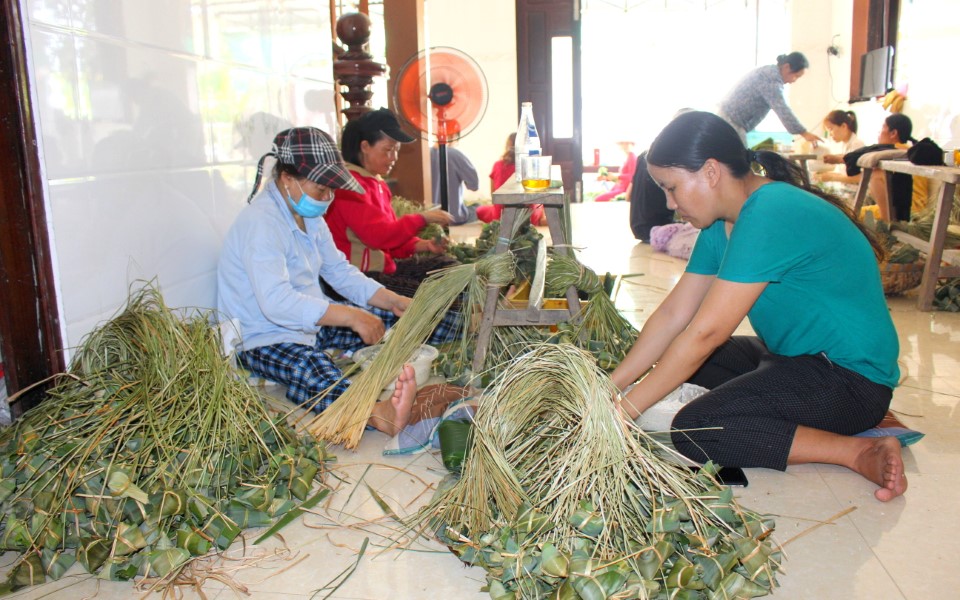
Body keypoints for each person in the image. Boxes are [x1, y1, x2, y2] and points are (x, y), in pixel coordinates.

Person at [611, 111, 906, 502]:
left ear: (711, 172)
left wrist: (621, 415)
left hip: (851, 383)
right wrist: (608, 392)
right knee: (673, 354)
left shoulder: (770, 211)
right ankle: (761, 411)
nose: (669, 203)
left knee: (697, 428)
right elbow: (673, 316)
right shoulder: (720, 224)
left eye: (672, 188)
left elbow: (707, 332)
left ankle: (857, 451)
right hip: (793, 359)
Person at [217, 126, 462, 435]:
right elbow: (276, 303)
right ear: (287, 178)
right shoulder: (261, 225)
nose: (328, 198)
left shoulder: (307, 216)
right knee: (309, 367)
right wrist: (351, 317)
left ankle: (465, 327)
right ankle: (375, 414)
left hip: (312, 324)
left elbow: (338, 271)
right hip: (265, 336)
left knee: (404, 320)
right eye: (322, 189)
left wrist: (393, 301)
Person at [325, 108, 456, 296]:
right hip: (358, 278)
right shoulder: (349, 187)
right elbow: (378, 236)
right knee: (431, 296)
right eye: (388, 150)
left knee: (447, 268)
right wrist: (422, 218)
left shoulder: (376, 184)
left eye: (396, 151)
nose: (393, 158)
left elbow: (391, 240)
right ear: (365, 147)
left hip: (382, 269)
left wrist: (425, 245)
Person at [718, 52, 823, 146]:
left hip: (730, 121)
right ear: (786, 67)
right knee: (738, 163)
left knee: (737, 162)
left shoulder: (769, 73)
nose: (794, 81)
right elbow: (782, 109)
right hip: (730, 122)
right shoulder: (770, 79)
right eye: (796, 76)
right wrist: (804, 133)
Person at [477, 132, 546, 226]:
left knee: (479, 210)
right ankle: (542, 218)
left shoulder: (498, 165)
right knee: (540, 204)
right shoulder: (531, 165)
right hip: (529, 218)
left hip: (501, 217)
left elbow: (493, 195)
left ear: (508, 146)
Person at [813, 110, 866, 192]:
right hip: (846, 190)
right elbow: (844, 174)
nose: (830, 134)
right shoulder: (844, 145)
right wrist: (825, 175)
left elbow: (861, 177)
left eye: (831, 129)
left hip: (855, 193)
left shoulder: (857, 145)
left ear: (844, 126)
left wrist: (832, 177)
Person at [431, 137, 480, 225]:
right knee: (479, 207)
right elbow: (474, 185)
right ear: (454, 136)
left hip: (430, 216)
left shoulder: (425, 154)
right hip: (454, 217)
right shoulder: (455, 154)